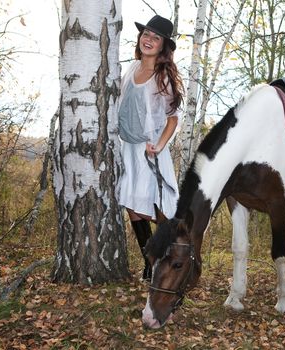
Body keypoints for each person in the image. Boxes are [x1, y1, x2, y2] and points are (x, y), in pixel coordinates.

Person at [118, 15, 183, 281]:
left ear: (163, 46)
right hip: (127, 147)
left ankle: (173, 258)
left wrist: (159, 145)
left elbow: (173, 117)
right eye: (146, 34)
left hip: (149, 149)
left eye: (155, 38)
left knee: (160, 208)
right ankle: (149, 262)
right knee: (133, 206)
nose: (148, 39)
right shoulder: (132, 68)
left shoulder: (162, 76)